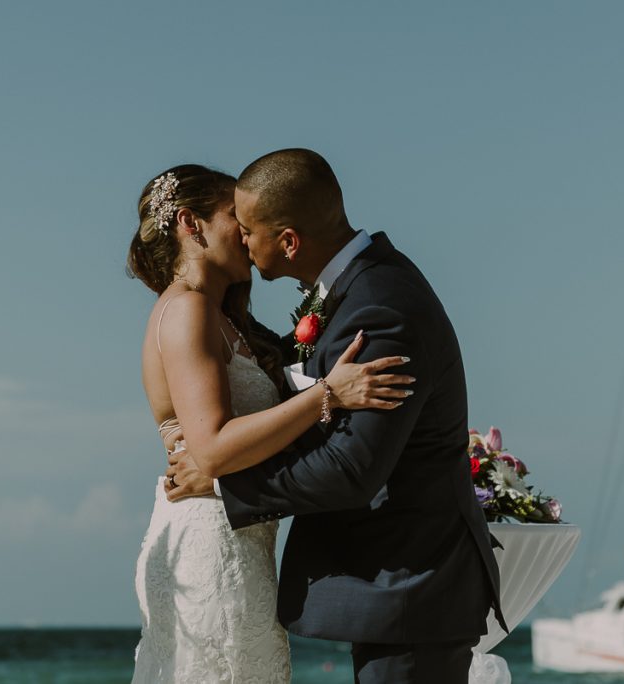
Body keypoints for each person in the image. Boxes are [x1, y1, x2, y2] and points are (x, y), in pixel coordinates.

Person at [167, 149, 504, 683]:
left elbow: (353, 469)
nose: (244, 243)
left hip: (410, 586)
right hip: (396, 588)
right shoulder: (353, 291)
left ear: (289, 241)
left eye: (249, 229)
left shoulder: (380, 307)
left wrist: (222, 482)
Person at [126, 164, 414, 683]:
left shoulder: (221, 315)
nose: (246, 230)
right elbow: (212, 449)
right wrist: (330, 393)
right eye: (233, 216)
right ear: (190, 224)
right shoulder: (188, 309)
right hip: (211, 542)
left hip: (240, 538)